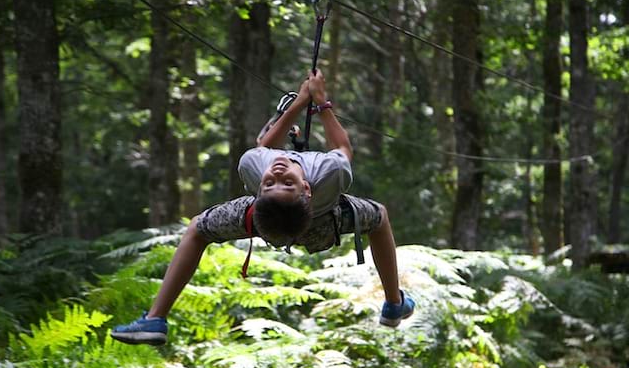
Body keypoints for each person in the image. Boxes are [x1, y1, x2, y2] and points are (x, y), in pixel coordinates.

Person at [111, 69, 415, 345]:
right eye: (283, 184)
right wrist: (321, 102)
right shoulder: (329, 173)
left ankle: (155, 319)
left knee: (197, 229)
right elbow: (343, 149)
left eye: (272, 184)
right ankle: (393, 303)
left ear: (257, 193)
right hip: (325, 223)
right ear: (306, 190)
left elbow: (265, 148)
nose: (278, 175)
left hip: (267, 222)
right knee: (380, 217)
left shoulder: (256, 166)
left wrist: (299, 104)